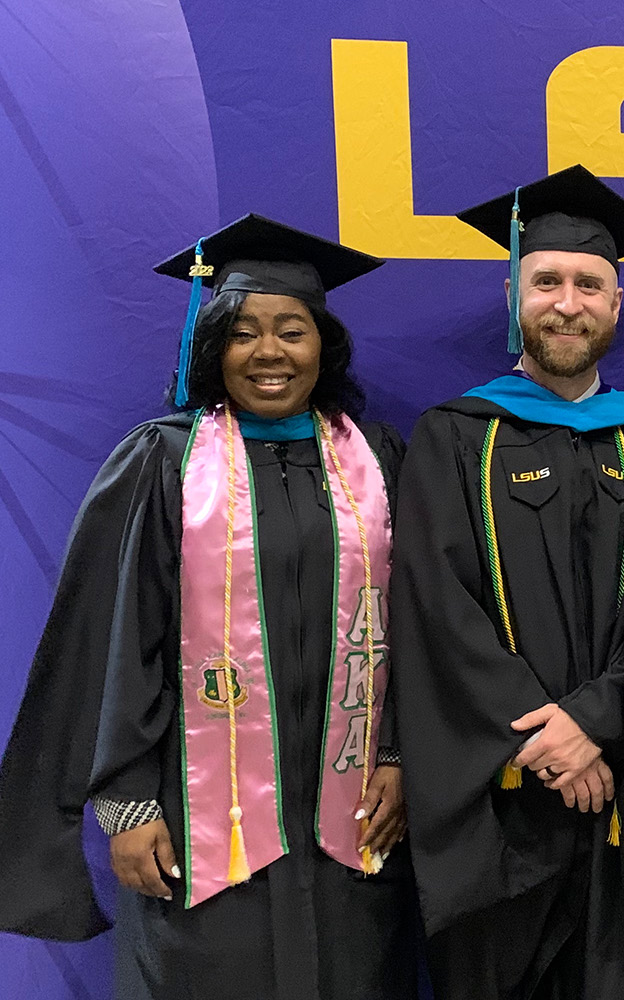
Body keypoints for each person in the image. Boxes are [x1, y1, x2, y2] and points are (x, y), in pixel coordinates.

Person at [0, 215, 415, 999]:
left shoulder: (376, 461)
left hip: (347, 820)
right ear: (212, 346)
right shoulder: (162, 462)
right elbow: (112, 641)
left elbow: (410, 625)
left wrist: (393, 753)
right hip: (200, 826)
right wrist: (125, 802)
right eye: (243, 332)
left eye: (292, 331)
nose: (269, 353)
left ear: (323, 345)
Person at [388, 164, 624, 1000]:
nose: (567, 301)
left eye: (590, 284)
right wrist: (545, 740)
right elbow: (434, 607)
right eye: (546, 280)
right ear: (513, 295)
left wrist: (597, 719)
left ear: (616, 305)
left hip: (621, 790)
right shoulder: (453, 436)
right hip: (499, 801)